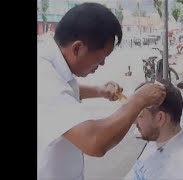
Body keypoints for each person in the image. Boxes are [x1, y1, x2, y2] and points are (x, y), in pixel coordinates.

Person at [37, 3, 166, 179]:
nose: (102, 64)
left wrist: (99, 91)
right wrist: (138, 101)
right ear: (77, 48)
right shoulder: (43, 77)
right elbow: (94, 142)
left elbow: (66, 91)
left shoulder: (52, 66)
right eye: (100, 57)